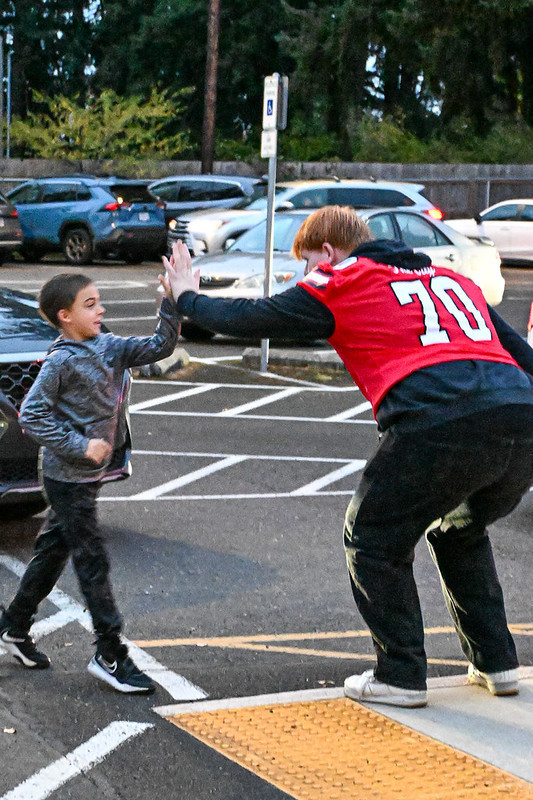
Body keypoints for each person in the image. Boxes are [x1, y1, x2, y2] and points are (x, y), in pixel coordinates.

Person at [161, 206, 533, 708]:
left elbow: (252, 317)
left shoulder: (341, 279)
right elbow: (523, 356)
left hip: (440, 420)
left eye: (308, 263)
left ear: (330, 252)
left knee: (373, 539)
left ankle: (401, 675)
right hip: (520, 417)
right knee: (459, 530)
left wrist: (186, 295)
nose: (305, 277)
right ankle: (497, 663)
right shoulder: (452, 278)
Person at [0, 272, 179, 694]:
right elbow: (31, 415)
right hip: (66, 477)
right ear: (65, 316)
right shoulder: (62, 361)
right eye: (90, 304)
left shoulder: (109, 346)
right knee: (91, 558)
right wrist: (81, 445)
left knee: (52, 551)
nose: (100, 310)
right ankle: (110, 653)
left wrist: (171, 303)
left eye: (100, 301)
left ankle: (14, 626)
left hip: (87, 474)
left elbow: (160, 346)